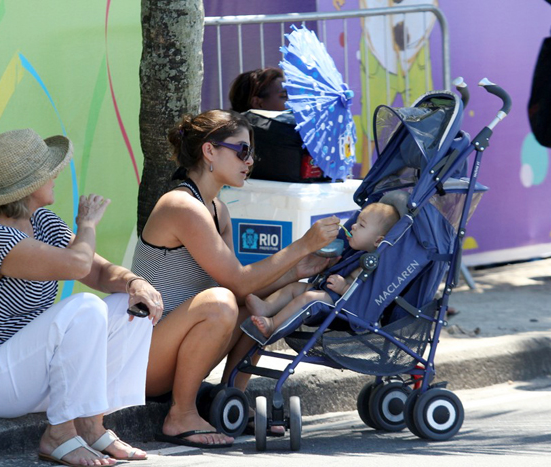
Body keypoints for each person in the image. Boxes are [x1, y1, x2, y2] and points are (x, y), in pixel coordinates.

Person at [0, 129, 163, 466]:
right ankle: (59, 434)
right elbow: (77, 265)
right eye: (50, 172)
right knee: (85, 307)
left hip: (29, 377)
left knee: (129, 306)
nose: (57, 176)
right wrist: (87, 224)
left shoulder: (43, 222)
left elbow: (101, 273)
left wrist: (135, 282)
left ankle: (92, 424)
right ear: (31, 185)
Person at [131, 109, 340, 448]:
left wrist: (297, 272)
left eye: (251, 152)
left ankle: (228, 401)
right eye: (242, 150)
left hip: (171, 352)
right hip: (143, 361)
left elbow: (242, 287)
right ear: (209, 151)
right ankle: (180, 414)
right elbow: (237, 284)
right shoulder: (182, 205)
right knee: (220, 303)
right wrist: (302, 246)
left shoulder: (218, 210)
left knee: (254, 311)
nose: (250, 160)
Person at [246, 202, 400, 339]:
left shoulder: (377, 265)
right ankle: (265, 307)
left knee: (308, 297)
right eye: (357, 222)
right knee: (295, 287)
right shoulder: (359, 254)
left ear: (378, 240)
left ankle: (272, 324)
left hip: (346, 305)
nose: (353, 226)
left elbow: (367, 297)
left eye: (362, 225)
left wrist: (344, 288)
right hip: (331, 293)